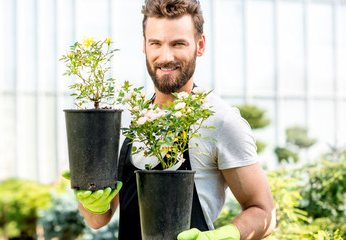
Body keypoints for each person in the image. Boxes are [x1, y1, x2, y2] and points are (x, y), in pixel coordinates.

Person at [69, 0, 276, 239]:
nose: (165, 56)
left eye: (178, 43)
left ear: (200, 45)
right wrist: (91, 201)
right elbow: (98, 220)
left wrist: (226, 235)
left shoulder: (220, 120)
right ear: (144, 46)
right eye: (155, 43)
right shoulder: (127, 118)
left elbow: (263, 210)